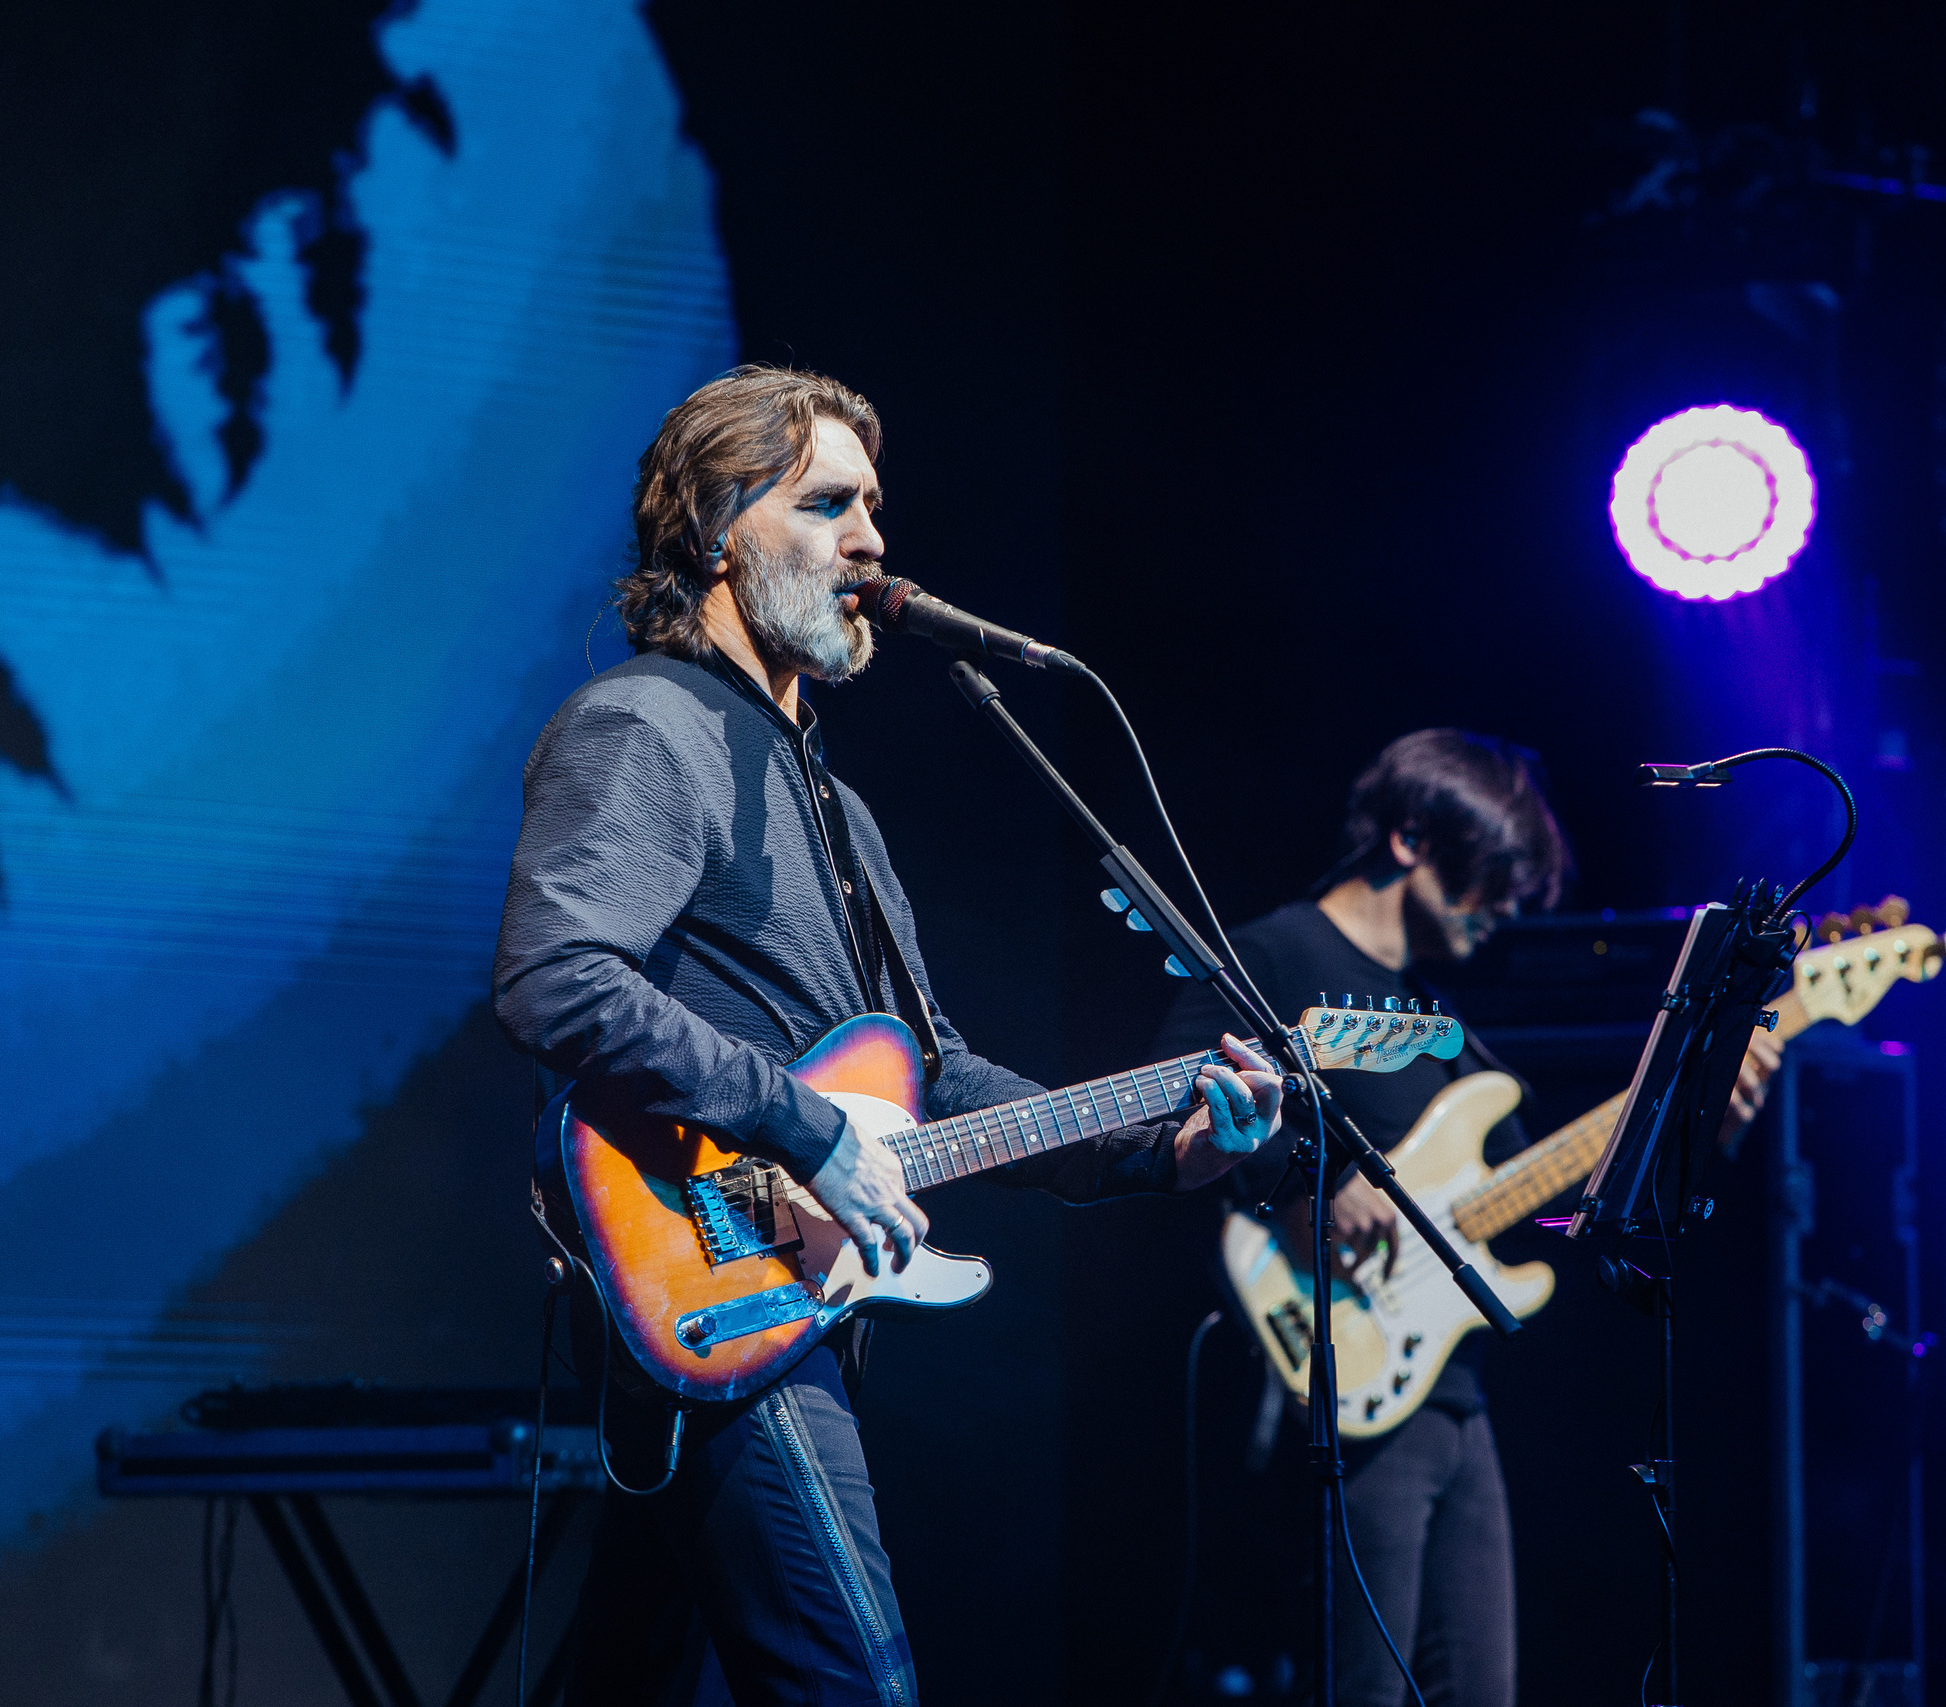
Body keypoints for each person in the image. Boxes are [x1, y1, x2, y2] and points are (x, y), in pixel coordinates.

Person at [493, 365, 1284, 1707]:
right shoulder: (648, 726)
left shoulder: (836, 808)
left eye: (874, 507)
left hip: (757, 1299)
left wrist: (1165, 1140)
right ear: (712, 530)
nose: (870, 539)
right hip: (718, 1283)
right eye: (827, 503)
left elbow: (937, 1073)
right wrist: (803, 1126)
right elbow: (554, 975)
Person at [1150, 729, 1784, 1707]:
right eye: (1486, 879)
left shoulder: (1440, 1021)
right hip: (1335, 1385)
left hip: (1453, 1396)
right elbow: (1170, 1116)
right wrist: (1305, 1181)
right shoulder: (1272, 955)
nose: (1501, 913)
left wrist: (1695, 1123)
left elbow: (1552, 1207)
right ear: (1408, 838)